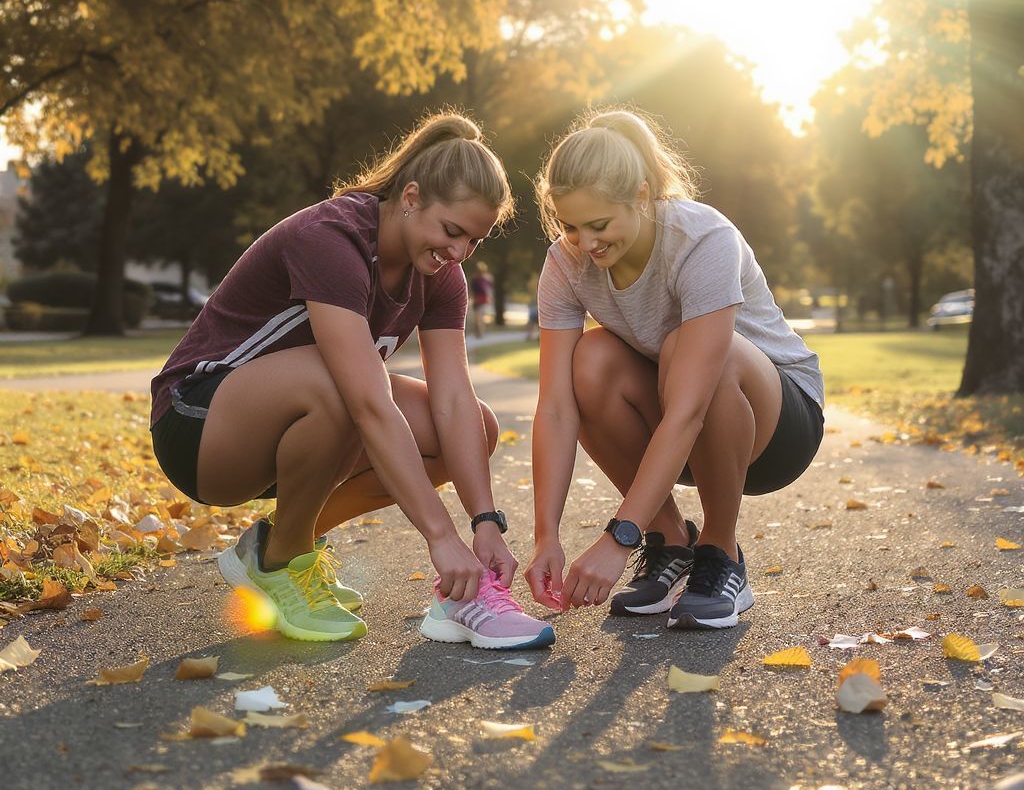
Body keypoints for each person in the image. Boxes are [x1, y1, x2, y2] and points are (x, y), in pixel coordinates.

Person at [150, 113, 554, 649]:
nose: (458, 253)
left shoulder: (440, 276)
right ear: (410, 197)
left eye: (473, 241)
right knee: (345, 386)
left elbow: (454, 402)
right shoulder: (333, 237)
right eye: (451, 231)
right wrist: (441, 537)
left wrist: (484, 523)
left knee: (474, 426)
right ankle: (281, 566)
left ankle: (280, 549)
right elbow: (367, 401)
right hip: (200, 426)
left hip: (306, 427)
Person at [523, 108, 824, 630]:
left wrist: (619, 537)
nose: (587, 244)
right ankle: (671, 543)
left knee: (700, 347)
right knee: (587, 361)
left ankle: (720, 552)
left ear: (641, 195)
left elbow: (688, 409)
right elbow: (554, 407)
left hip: (776, 425)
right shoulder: (565, 263)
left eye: (599, 224)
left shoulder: (701, 238)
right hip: (676, 424)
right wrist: (545, 534)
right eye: (571, 227)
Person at [469, 260, 493, 338]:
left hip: (481, 299)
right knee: (479, 317)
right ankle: (479, 332)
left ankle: (480, 332)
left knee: (480, 317)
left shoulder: (486, 278)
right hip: (479, 299)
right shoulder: (482, 278)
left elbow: (489, 289)